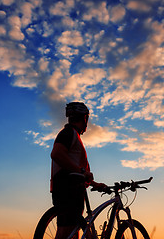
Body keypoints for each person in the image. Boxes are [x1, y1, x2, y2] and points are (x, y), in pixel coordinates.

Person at [50, 102, 106, 239]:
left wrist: (94, 184)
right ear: (85, 118)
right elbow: (56, 154)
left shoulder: (73, 136)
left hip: (71, 188)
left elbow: (78, 171)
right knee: (66, 231)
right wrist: (82, 170)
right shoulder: (69, 133)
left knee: (72, 232)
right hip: (68, 188)